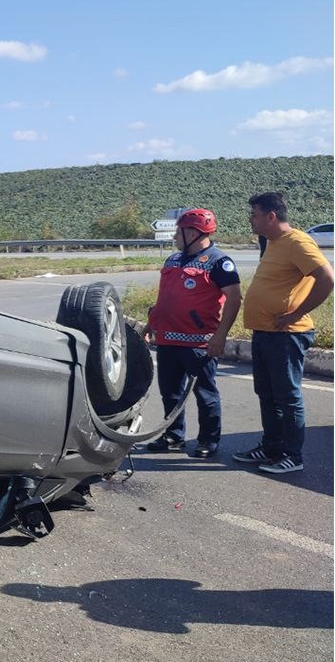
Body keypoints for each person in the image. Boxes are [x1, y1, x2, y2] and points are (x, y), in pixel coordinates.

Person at [234, 192, 333, 474]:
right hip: (265, 332)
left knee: (287, 397)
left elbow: (327, 278)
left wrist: (296, 314)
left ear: (271, 216)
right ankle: (271, 447)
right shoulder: (272, 242)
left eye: (254, 215)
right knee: (267, 394)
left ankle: (292, 455)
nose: (250, 220)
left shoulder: (297, 241)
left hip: (286, 334)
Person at [143, 209, 241, 458]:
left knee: (205, 394)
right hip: (167, 339)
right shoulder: (173, 260)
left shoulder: (219, 262)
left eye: (179, 231)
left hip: (199, 344)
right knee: (170, 393)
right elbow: (165, 298)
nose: (175, 236)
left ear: (194, 233)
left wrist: (220, 336)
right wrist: (151, 323)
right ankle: (173, 436)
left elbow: (234, 299)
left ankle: (208, 440)